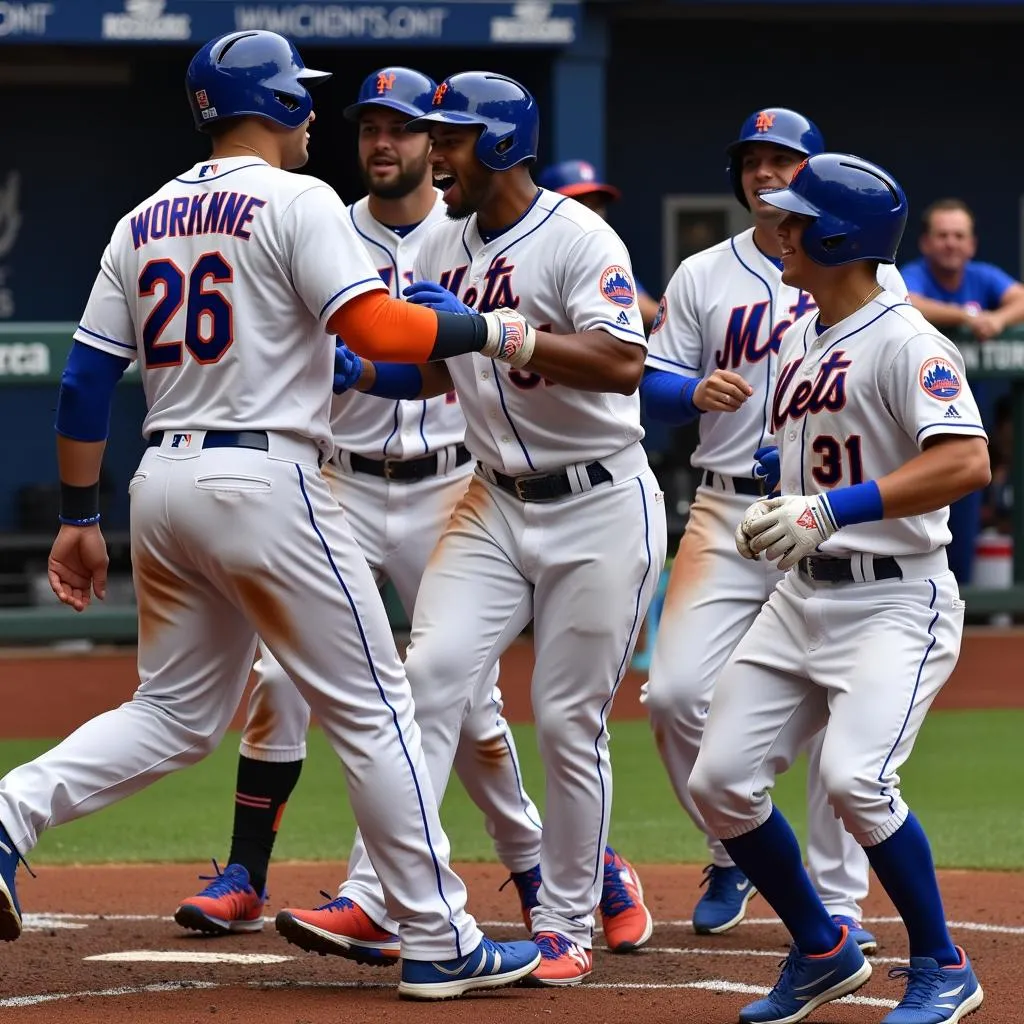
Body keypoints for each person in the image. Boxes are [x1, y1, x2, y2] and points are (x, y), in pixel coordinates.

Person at [0, 31, 544, 1000]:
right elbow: (376, 330)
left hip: (161, 485)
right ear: (277, 104)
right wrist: (491, 330)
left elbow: (84, 383)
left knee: (170, 713)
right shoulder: (295, 200)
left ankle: (8, 812)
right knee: (378, 703)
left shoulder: (143, 216)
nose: (308, 116)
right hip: (266, 477)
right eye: (299, 99)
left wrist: (78, 516)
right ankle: (436, 934)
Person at [172, 64, 545, 956]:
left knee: (469, 704)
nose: (383, 142)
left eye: (405, 128)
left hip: (449, 480)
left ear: (437, 141)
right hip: (337, 475)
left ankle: (550, 872)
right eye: (369, 127)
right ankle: (246, 875)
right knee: (276, 681)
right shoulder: (318, 222)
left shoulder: (469, 238)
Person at [316, 71, 668, 986]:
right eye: (436, 137)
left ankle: (562, 923)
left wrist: (496, 334)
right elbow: (443, 369)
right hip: (495, 499)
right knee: (423, 680)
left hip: (599, 501)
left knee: (564, 719)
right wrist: (365, 375)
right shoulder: (447, 241)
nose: (436, 153)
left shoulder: (578, 235)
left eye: (453, 138)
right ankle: (389, 895)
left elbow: (625, 363)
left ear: (505, 145)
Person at [688, 151, 988, 1024]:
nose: (775, 228)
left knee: (858, 782)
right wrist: (776, 483)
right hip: (803, 596)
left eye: (792, 219)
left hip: (895, 598)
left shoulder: (905, 338)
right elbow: (821, 448)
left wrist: (829, 507)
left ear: (835, 237)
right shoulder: (808, 329)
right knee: (720, 783)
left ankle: (944, 964)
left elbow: (965, 460)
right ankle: (821, 949)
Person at [640, 108, 909, 948]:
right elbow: (649, 377)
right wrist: (692, 395)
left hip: (823, 513)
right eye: (752, 159)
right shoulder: (701, 274)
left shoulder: (872, 281)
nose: (764, 173)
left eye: (782, 160)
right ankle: (732, 847)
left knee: (837, 708)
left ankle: (838, 902)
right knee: (676, 693)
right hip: (727, 505)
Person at [899, 197, 1024, 584]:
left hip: (972, 433)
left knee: (964, 542)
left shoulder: (982, 276)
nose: (951, 243)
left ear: (971, 244)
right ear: (926, 243)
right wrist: (969, 318)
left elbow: (1019, 297)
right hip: (916, 436)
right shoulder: (915, 273)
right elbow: (908, 300)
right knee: (915, 533)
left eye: (959, 236)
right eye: (942, 235)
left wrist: (997, 319)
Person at [537, 159, 660, 330]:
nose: (592, 213)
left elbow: (637, 303)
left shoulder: (600, 253)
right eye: (579, 203)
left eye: (597, 204)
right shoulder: (529, 252)